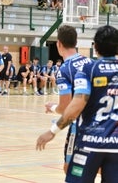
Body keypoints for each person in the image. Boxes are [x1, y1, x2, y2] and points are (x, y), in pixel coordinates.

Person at [36, 25, 118, 182]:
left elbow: (76, 105)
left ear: (96, 46)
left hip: (90, 141)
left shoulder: (89, 68)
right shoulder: (87, 63)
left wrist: (52, 130)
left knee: (71, 172)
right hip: (116, 145)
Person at [41, 25, 94, 173]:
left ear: (59, 44)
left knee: (70, 167)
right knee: (92, 164)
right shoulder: (90, 62)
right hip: (100, 122)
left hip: (80, 123)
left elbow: (64, 108)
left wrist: (52, 107)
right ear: (76, 42)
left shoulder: (64, 69)